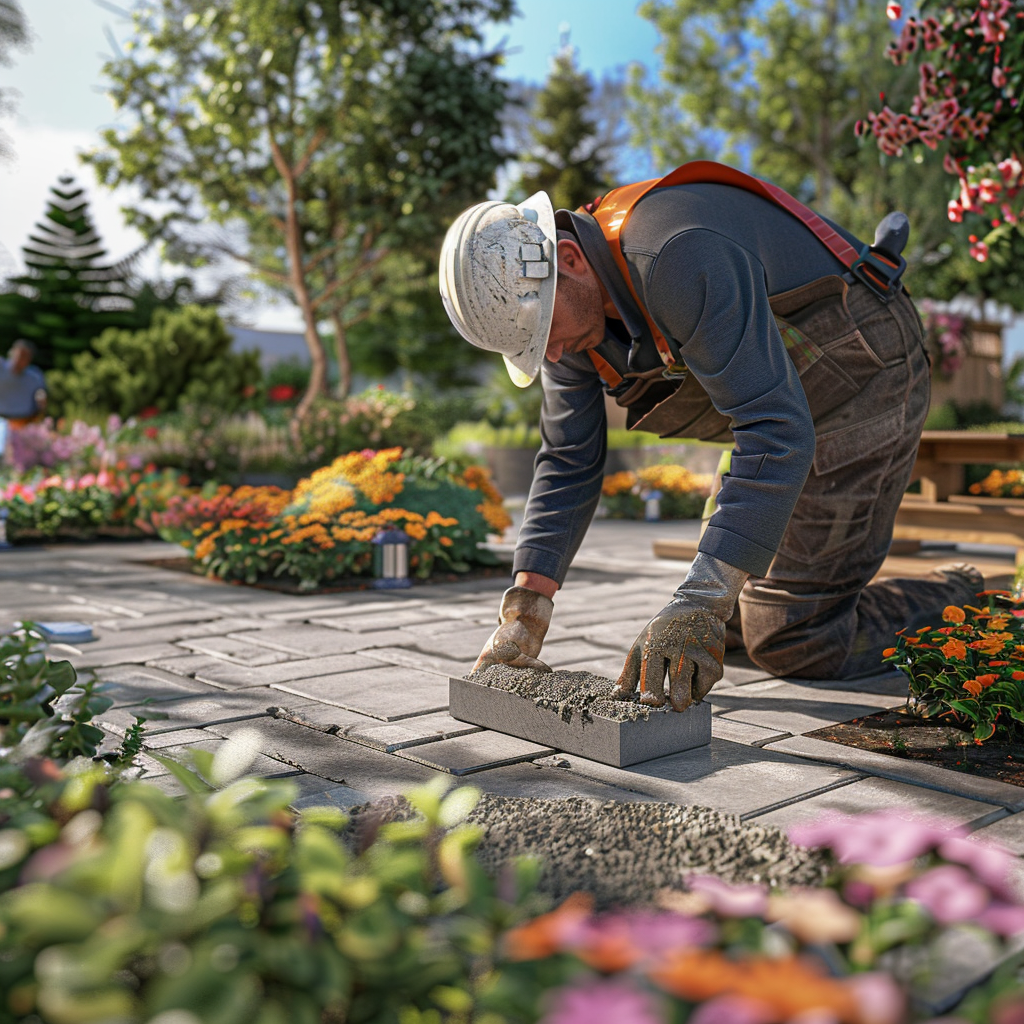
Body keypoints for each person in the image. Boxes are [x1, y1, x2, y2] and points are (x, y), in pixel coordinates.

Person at [438, 161, 985, 713]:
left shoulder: (675, 252)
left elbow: (774, 430)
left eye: (542, 336)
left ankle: (963, 596)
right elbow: (567, 460)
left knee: (795, 640)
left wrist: (702, 596)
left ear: (570, 260)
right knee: (726, 632)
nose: (550, 355)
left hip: (864, 380)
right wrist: (524, 612)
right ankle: (792, 603)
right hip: (782, 404)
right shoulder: (566, 318)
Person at [0, 339, 47, 460]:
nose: (20, 359)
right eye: (19, 354)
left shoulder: (35, 376)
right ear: (12, 352)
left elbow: (41, 396)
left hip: (25, 424)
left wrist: (42, 397)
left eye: (25, 356)